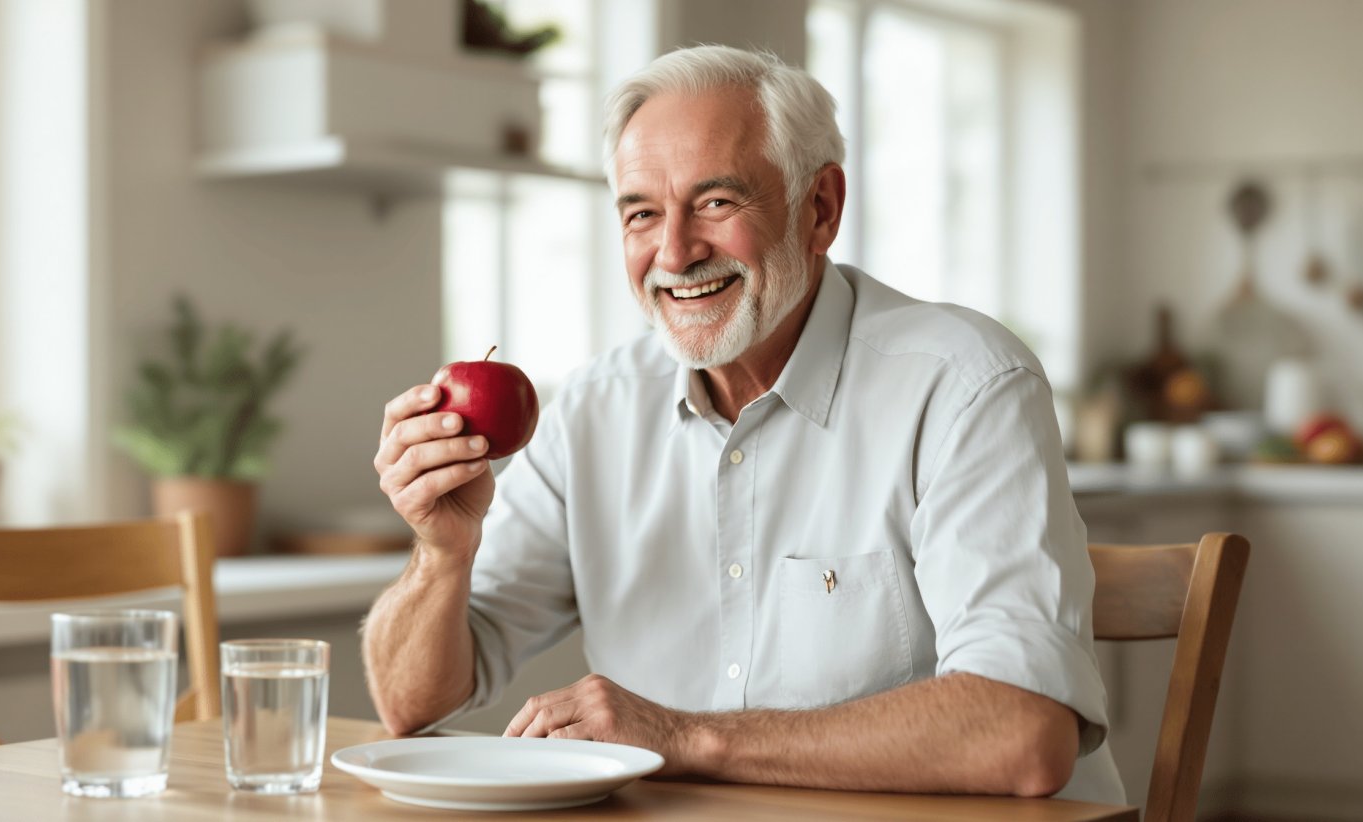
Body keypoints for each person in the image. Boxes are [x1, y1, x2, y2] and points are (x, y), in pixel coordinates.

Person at [363, 44, 1122, 803]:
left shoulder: (964, 384)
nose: (674, 251)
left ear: (819, 208)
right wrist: (441, 553)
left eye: (717, 203)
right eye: (642, 213)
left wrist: (682, 736)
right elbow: (410, 703)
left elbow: (1022, 734)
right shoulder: (595, 411)